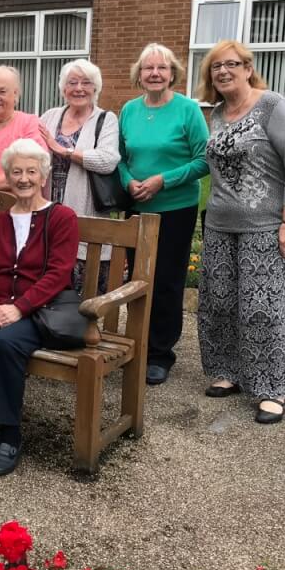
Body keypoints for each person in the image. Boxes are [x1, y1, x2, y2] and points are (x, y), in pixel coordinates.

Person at [196, 40, 285, 425]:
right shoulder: (216, 113)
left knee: (262, 308)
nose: (223, 72)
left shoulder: (272, 106)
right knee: (220, 302)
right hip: (219, 225)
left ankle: (271, 389)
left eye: (231, 64)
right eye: (215, 67)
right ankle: (228, 372)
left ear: (248, 68)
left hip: (265, 227)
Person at [0, 138, 79, 476]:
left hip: (39, 308)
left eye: (31, 171)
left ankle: (9, 434)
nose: (24, 178)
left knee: (6, 343)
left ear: (43, 177)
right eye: (16, 172)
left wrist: (20, 308)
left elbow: (58, 273)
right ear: (8, 177)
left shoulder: (61, 217)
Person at [117, 42, 209, 386]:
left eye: (162, 68)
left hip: (174, 207)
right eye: (147, 68)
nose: (154, 73)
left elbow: (204, 160)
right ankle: (137, 344)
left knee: (167, 282)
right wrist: (128, 182)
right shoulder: (129, 110)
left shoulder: (187, 110)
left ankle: (160, 354)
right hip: (136, 206)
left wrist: (162, 182)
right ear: (139, 75)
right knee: (138, 279)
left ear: (173, 74)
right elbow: (121, 157)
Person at [38, 59, 121, 294]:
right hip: (48, 212)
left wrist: (63, 150)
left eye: (86, 83)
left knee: (85, 291)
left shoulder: (106, 119)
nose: (79, 88)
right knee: (47, 285)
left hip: (85, 213)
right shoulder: (49, 117)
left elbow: (108, 160)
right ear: (63, 89)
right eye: (72, 82)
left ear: (96, 88)